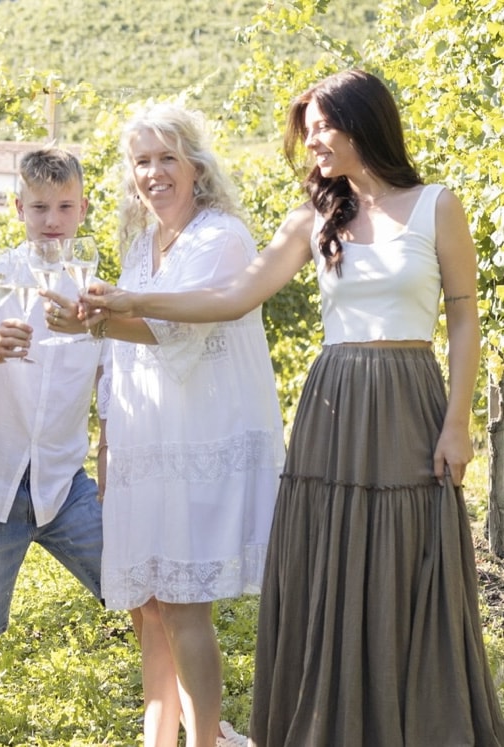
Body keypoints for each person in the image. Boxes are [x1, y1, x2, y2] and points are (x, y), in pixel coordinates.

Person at [83, 70, 504, 746]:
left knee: (407, 551)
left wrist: (458, 420)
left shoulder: (436, 206)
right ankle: (340, 723)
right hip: (333, 403)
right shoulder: (313, 217)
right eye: (306, 134)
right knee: (334, 565)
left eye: (322, 131)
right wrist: (136, 302)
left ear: (363, 124)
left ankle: (418, 717)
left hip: (408, 396)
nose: (312, 146)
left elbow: (461, 315)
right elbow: (234, 296)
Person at [49, 103, 284, 747]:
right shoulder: (138, 245)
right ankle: (164, 736)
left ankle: (205, 738)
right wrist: (90, 332)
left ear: (195, 165)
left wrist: (97, 318)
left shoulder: (222, 236)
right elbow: (127, 341)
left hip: (195, 440)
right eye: (142, 162)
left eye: (166, 158)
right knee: (150, 606)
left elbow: (172, 327)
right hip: (145, 442)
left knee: (182, 605)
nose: (153, 173)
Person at [0, 147, 115, 746]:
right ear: (18, 208)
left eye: (64, 206)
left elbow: (111, 387)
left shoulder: (97, 288)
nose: (52, 219)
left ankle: (196, 724)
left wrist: (112, 471)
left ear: (83, 208)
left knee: (143, 589)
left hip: (65, 484)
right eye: (39, 207)